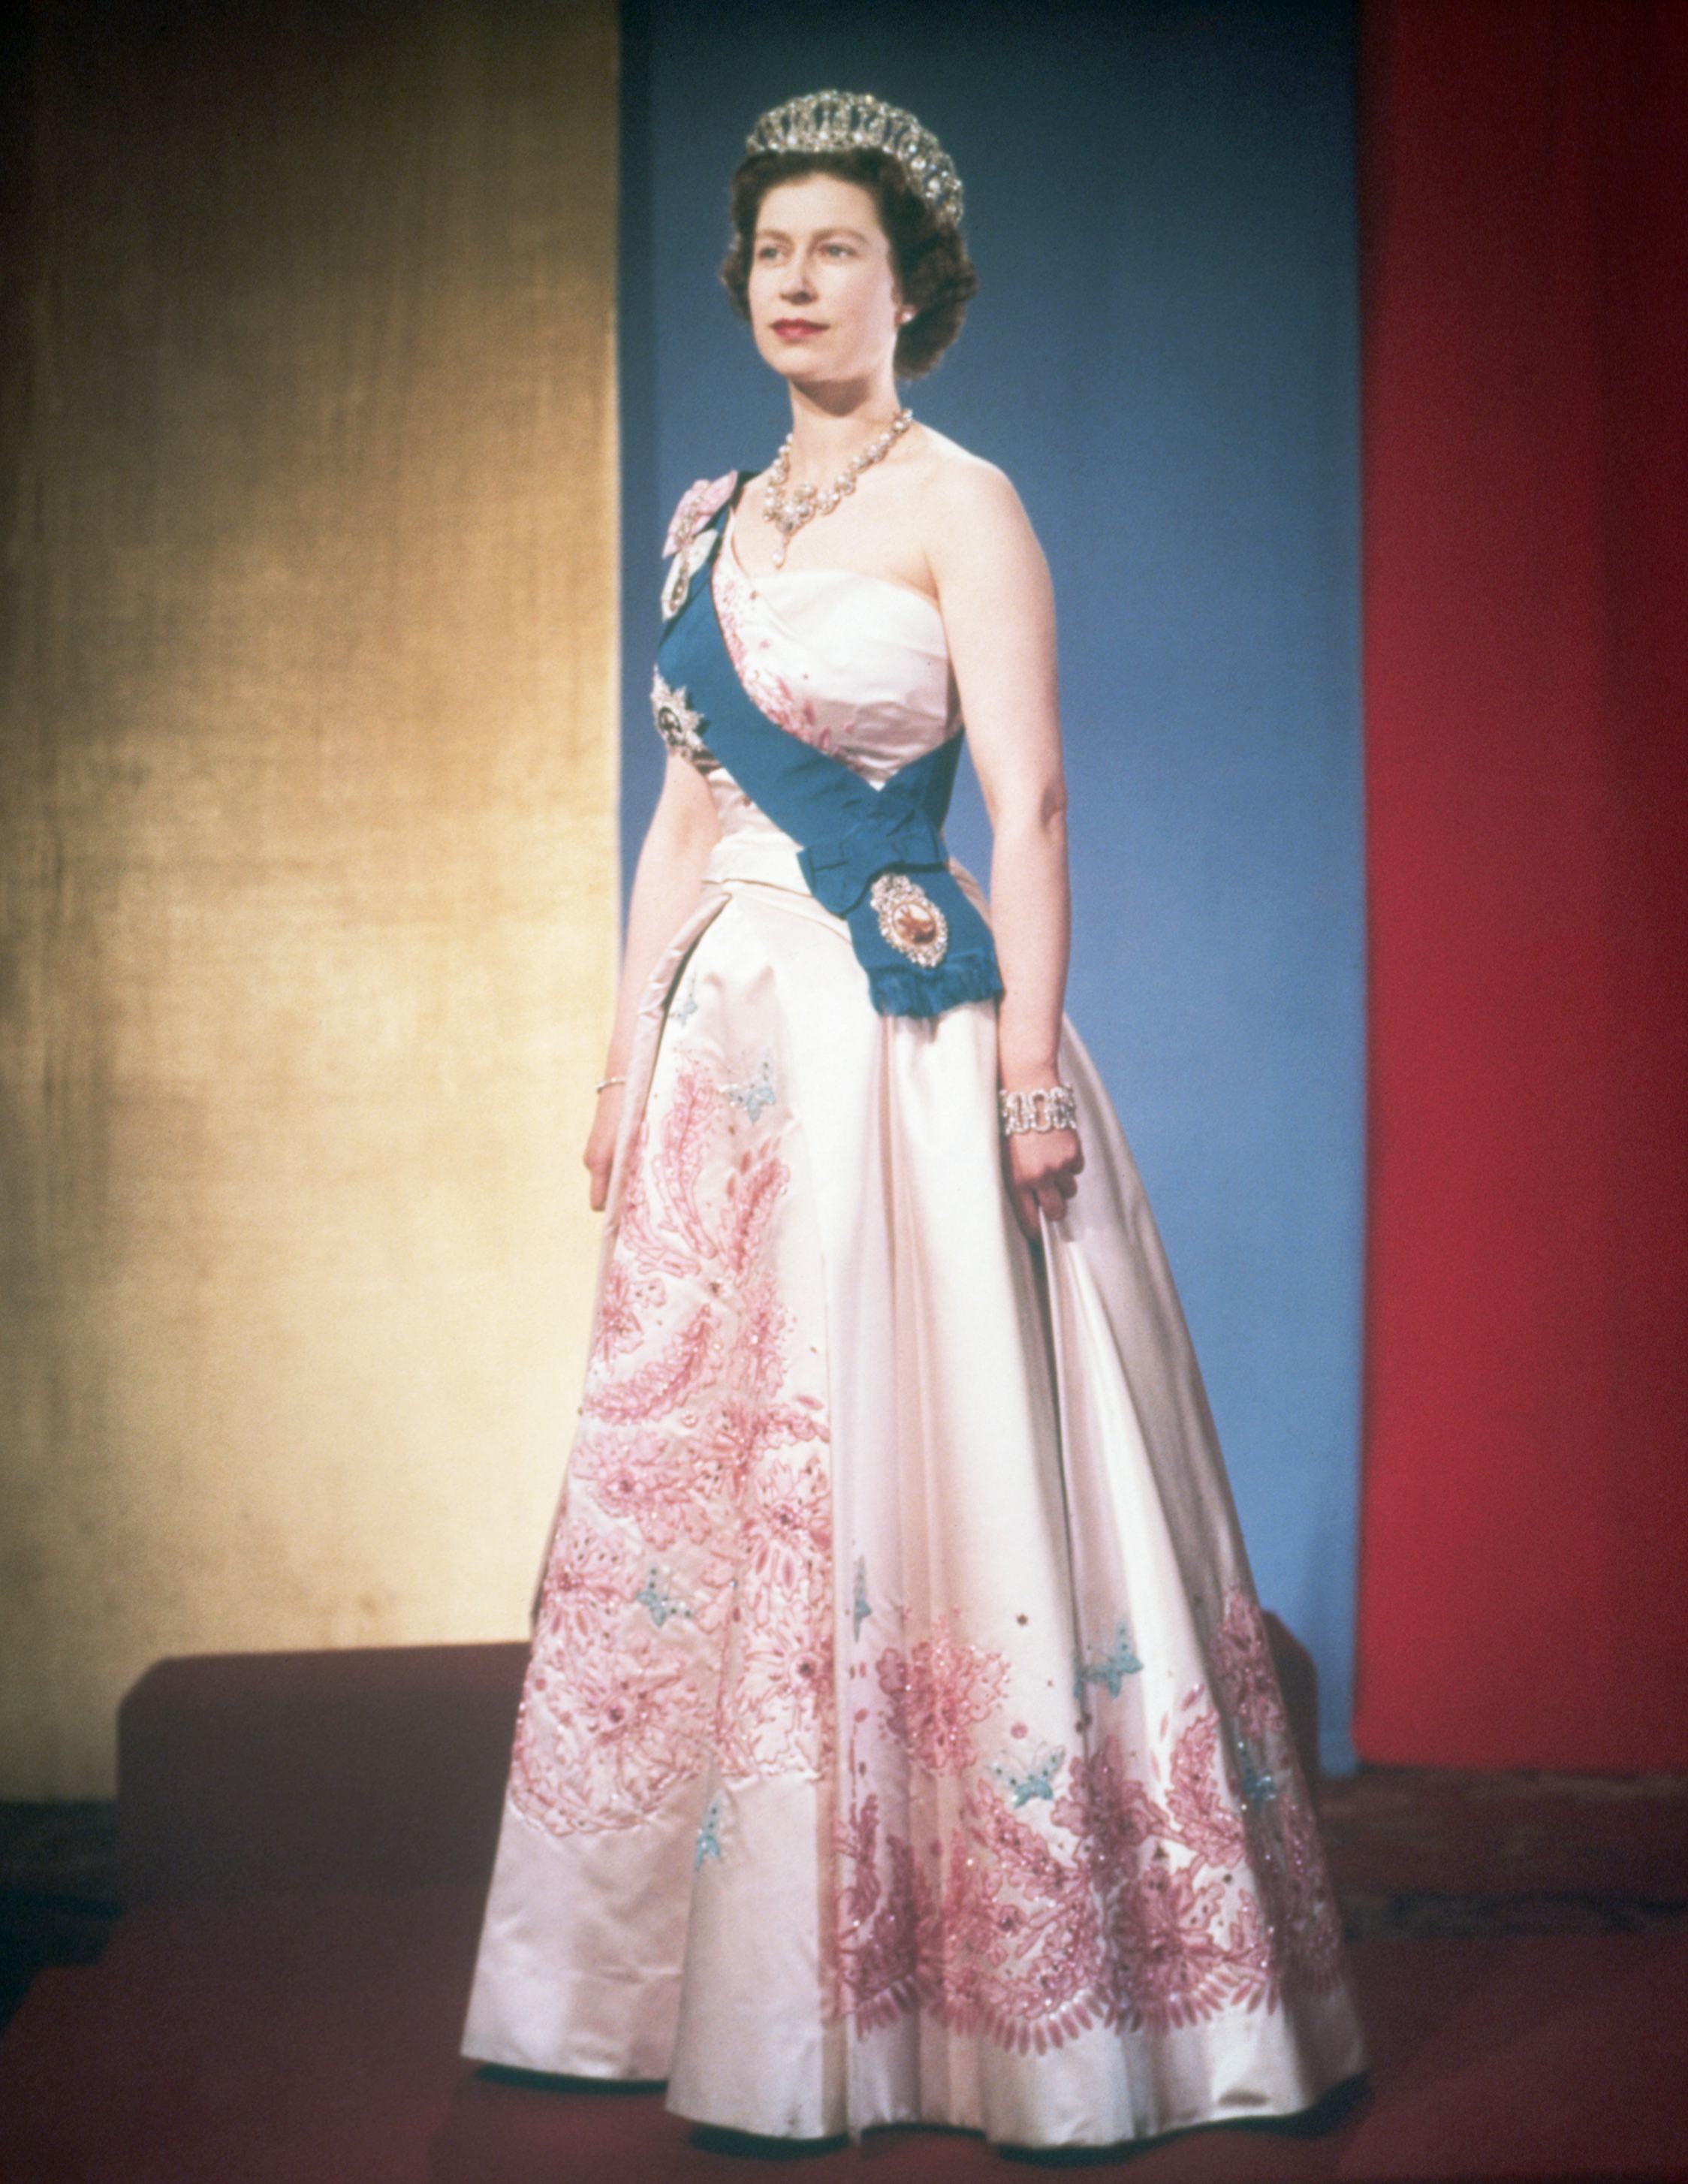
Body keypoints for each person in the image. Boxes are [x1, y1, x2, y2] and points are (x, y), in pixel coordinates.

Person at [461, 88, 1368, 2152]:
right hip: (731, 1063)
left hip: (910, 1048)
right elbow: (682, 811)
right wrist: (622, 1063)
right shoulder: (704, 526)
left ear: (907, 285)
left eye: (836, 253)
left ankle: (999, 1996)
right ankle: (692, 1990)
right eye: (773, 251)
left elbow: (1031, 806)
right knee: (717, 1502)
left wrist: (1032, 1069)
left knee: (925, 1466)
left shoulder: (968, 502)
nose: (798, 282)